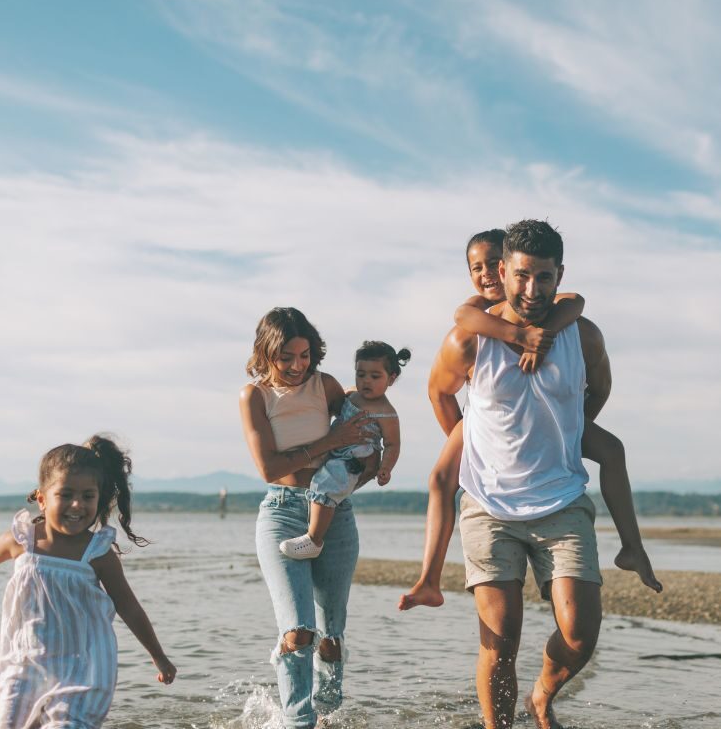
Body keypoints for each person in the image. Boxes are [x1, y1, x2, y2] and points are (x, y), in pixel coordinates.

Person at [411, 220, 626, 729]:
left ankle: (541, 695)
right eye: (517, 275)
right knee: (501, 636)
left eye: (543, 277)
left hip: (560, 497)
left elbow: (598, 386)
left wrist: (564, 428)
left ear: (557, 276)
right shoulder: (469, 333)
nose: (531, 288)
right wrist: (468, 437)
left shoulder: (576, 327)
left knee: (580, 635)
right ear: (505, 273)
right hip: (488, 502)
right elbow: (439, 391)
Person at [399, 228, 660, 612]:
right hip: (486, 425)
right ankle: (429, 579)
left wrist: (569, 426)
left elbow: (576, 301)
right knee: (441, 478)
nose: (487, 274)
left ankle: (632, 546)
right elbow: (458, 325)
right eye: (478, 268)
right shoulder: (473, 313)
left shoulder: (559, 311)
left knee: (612, 449)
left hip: (552, 424)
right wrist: (473, 435)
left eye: (492, 264)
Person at [0, 434, 176, 728]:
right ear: (42, 498)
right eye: (65, 494)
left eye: (88, 496)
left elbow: (128, 606)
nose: (77, 504)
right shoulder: (22, 540)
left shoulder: (97, 552)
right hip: (25, 665)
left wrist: (159, 657)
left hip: (82, 670)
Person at [239, 307, 376, 729]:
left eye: (305, 355)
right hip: (280, 512)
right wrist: (331, 440)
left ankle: (329, 714)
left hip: (334, 513)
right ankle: (299, 721)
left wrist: (367, 467)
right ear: (267, 354)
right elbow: (269, 467)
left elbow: (368, 428)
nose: (298, 366)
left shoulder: (327, 386)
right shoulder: (255, 397)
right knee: (299, 632)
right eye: (287, 357)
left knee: (330, 637)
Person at [279, 341, 409, 559]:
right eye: (361, 374)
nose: (366, 381)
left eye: (375, 377)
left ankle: (314, 540)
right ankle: (311, 527)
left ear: (392, 378)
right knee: (317, 479)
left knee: (325, 486)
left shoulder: (387, 413)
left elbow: (393, 444)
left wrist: (385, 467)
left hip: (354, 458)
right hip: (335, 449)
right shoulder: (351, 395)